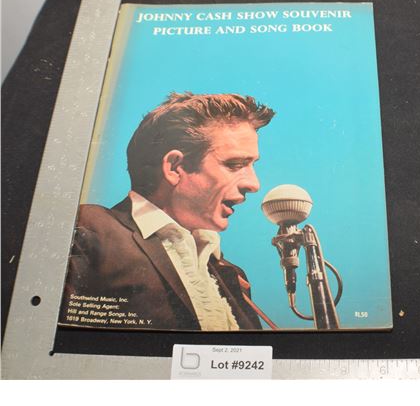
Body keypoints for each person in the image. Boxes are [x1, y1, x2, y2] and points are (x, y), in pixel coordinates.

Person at [58, 92, 275, 331]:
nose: (254, 184)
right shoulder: (90, 228)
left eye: (252, 165)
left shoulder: (230, 274)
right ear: (174, 167)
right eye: (234, 164)